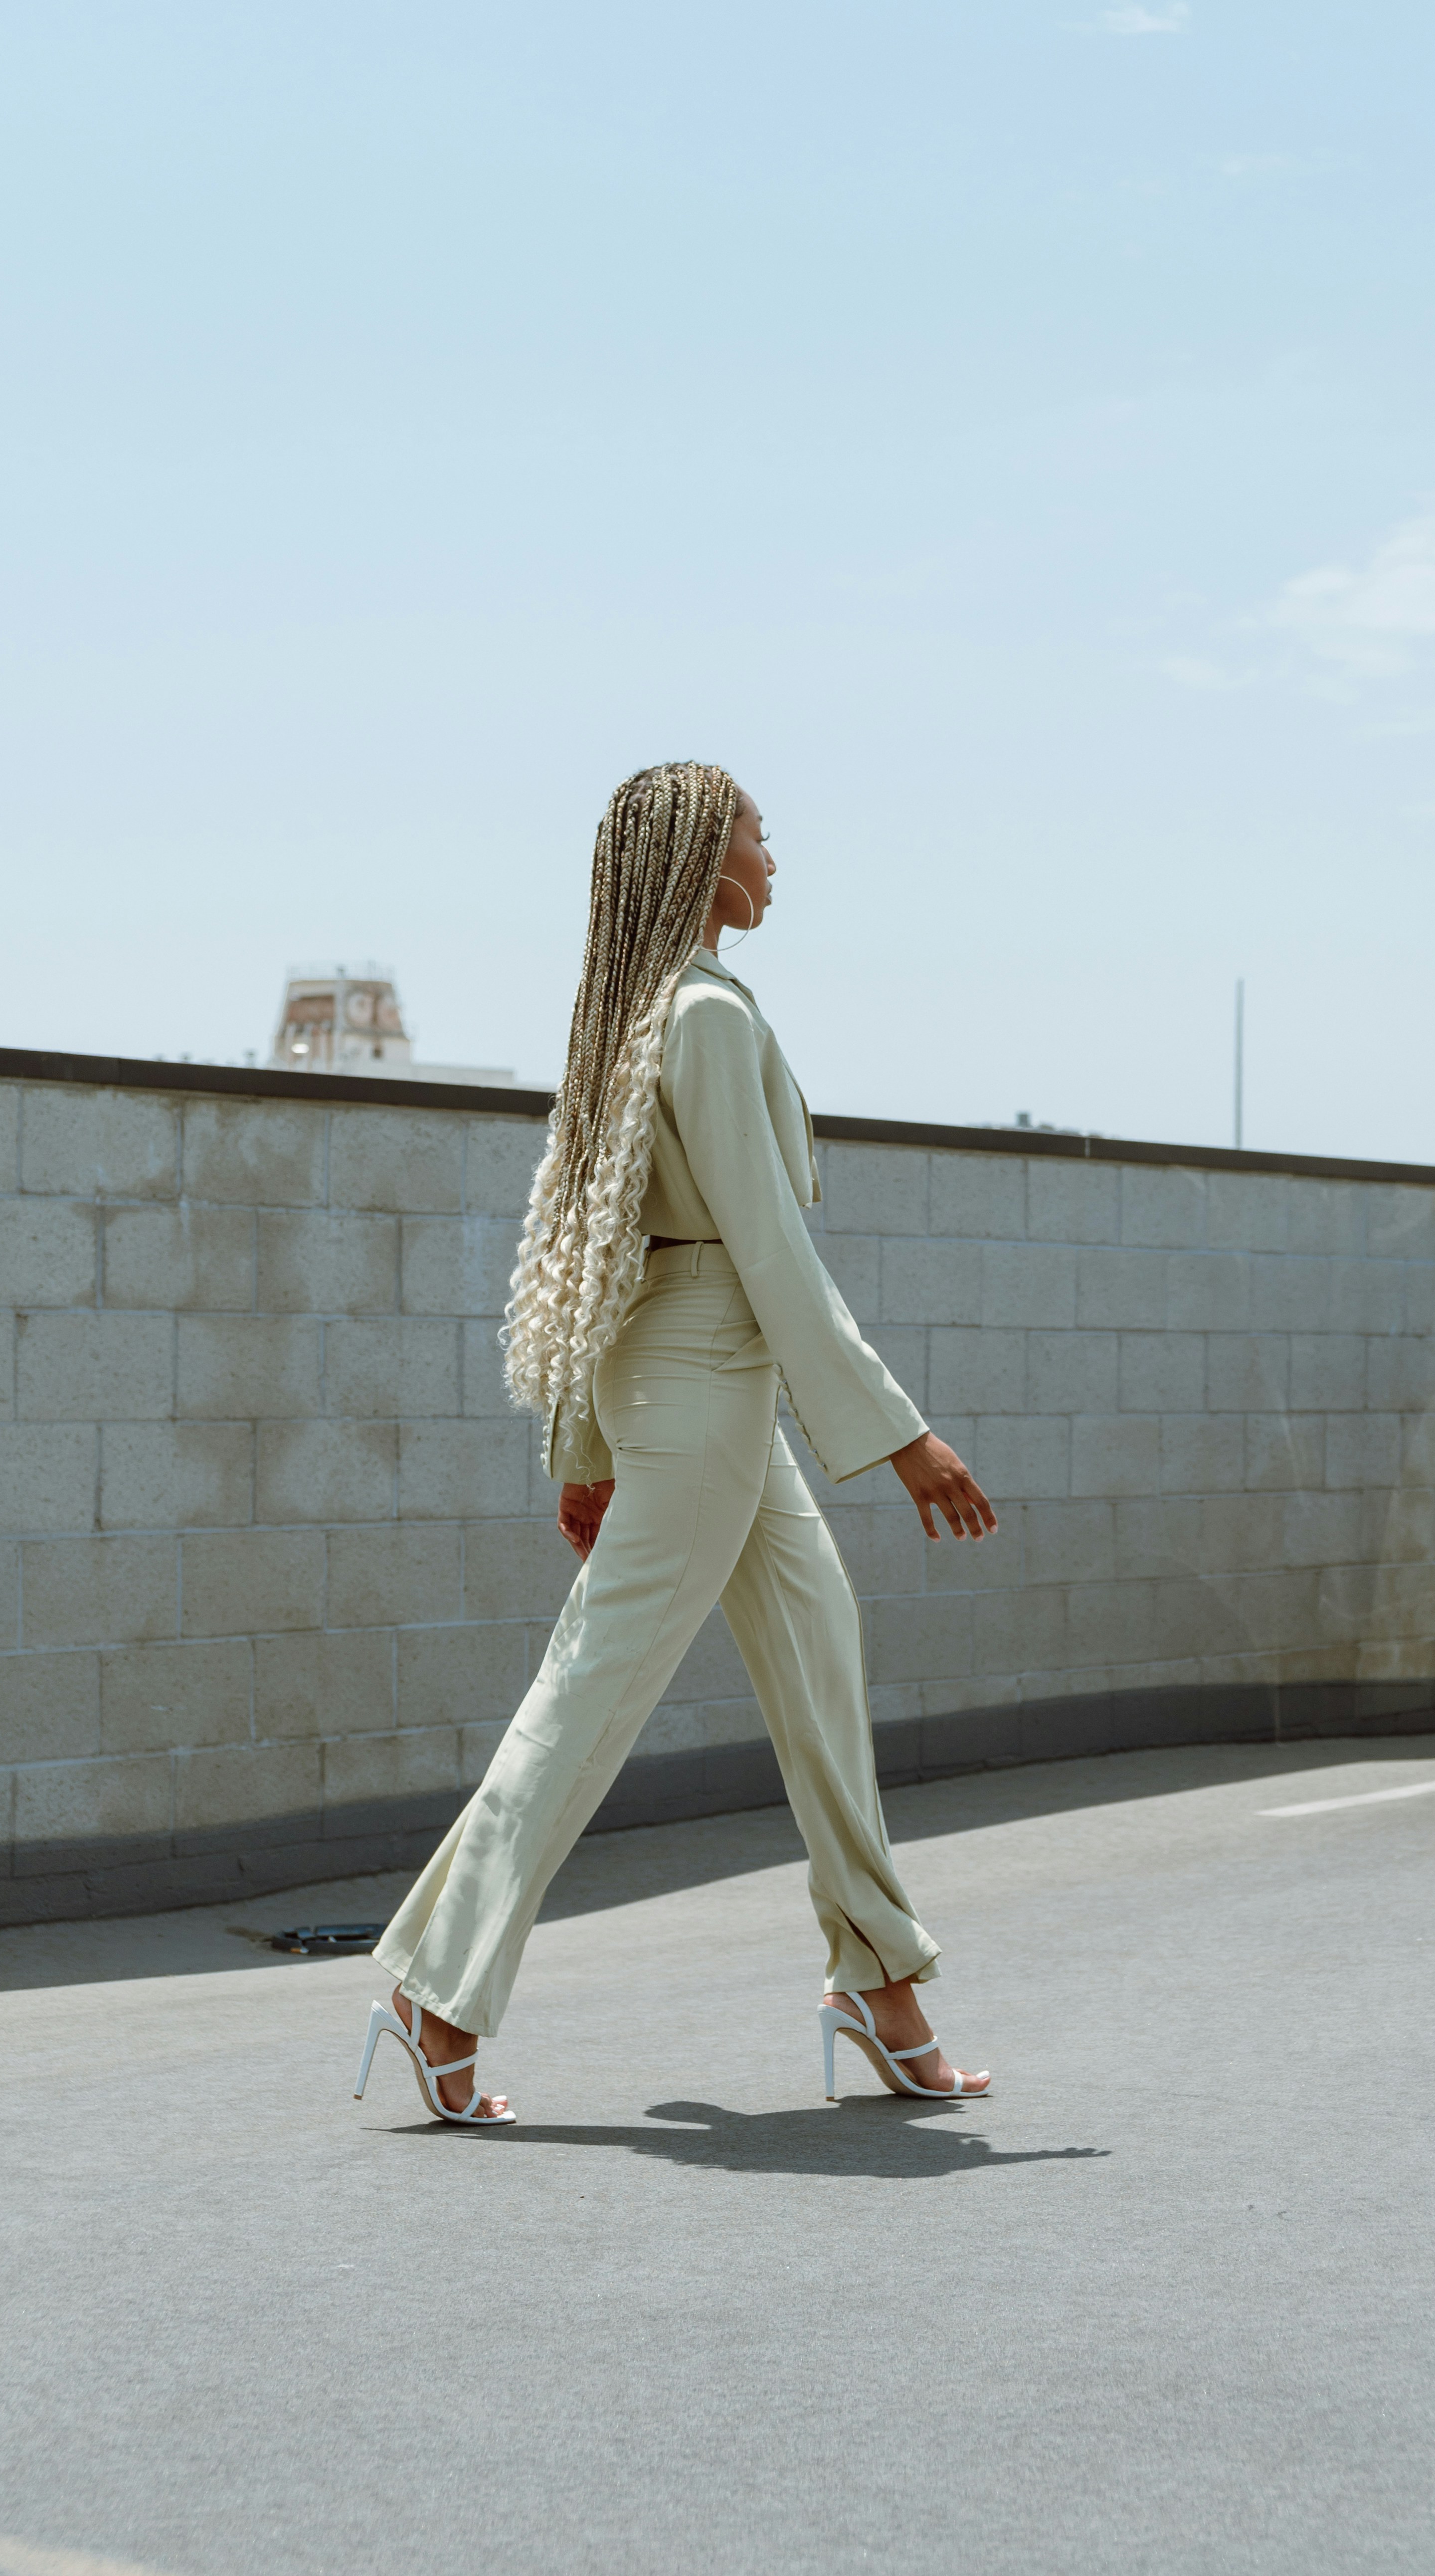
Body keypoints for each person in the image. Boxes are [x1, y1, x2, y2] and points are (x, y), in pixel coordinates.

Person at [354, 762, 997, 2127]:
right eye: (762, 831)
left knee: (819, 1663)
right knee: (590, 1695)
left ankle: (881, 1986)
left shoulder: (648, 1018)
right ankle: (437, 1990)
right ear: (709, 854)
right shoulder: (698, 1018)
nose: (778, 854)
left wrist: (585, 1441)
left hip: (702, 1386)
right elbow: (767, 1250)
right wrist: (905, 1439)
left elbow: (606, 1250)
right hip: (711, 1384)